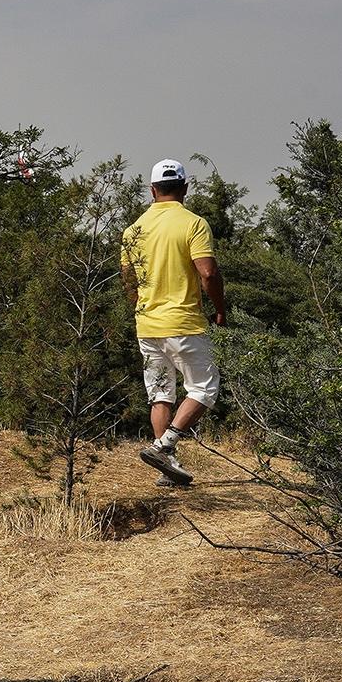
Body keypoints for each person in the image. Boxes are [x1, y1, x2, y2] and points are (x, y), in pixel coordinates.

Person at [122, 158, 228, 487]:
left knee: (160, 395)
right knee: (204, 388)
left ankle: (165, 469)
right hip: (184, 323)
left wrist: (141, 306)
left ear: (152, 190)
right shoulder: (193, 223)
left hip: (147, 325)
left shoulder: (132, 230)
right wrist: (221, 309)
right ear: (185, 188)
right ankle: (164, 446)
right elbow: (208, 272)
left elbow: (129, 280)